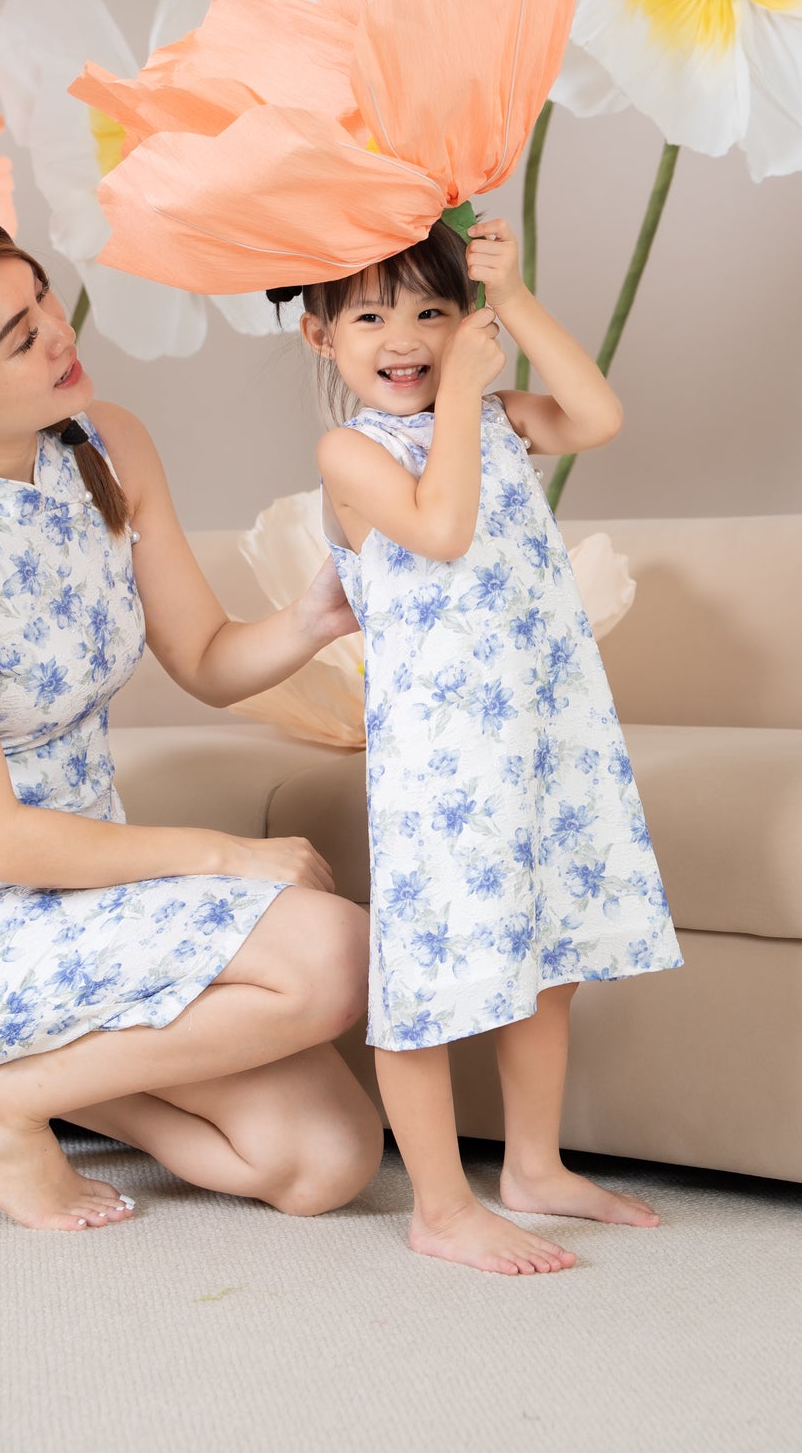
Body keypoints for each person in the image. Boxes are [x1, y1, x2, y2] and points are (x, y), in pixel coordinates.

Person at [0, 207, 384, 1235]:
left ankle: (5, 1099)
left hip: (93, 903)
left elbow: (209, 660)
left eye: (40, 297)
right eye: (17, 337)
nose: (58, 332)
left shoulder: (108, 443)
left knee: (326, 1163)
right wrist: (222, 857)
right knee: (335, 954)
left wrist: (314, 616)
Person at [275, 215, 683, 1276]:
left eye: (431, 310)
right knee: (433, 976)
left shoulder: (497, 411)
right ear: (323, 337)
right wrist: (460, 392)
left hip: (544, 726)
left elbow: (595, 414)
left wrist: (519, 302)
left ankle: (535, 1166)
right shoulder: (351, 450)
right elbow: (442, 526)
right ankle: (441, 1207)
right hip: (445, 759)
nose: (404, 334)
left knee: (549, 956)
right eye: (370, 314)